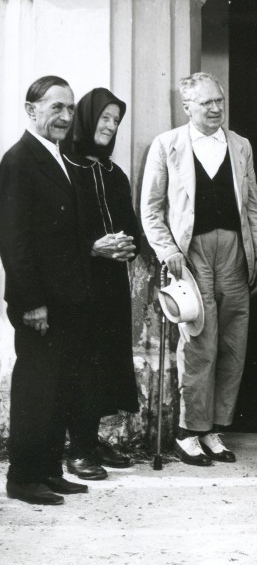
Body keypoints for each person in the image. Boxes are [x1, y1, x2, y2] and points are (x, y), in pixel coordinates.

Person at [140, 72, 257, 467]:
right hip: (191, 253)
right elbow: (151, 209)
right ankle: (187, 431)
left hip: (234, 253)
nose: (215, 109)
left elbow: (252, 206)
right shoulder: (167, 145)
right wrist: (167, 250)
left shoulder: (240, 145)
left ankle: (213, 428)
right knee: (199, 341)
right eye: (206, 102)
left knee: (232, 342)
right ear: (187, 106)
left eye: (219, 101)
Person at [0, 76, 107, 504]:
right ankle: (23, 478)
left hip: (68, 299)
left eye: (70, 107)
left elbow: (60, 234)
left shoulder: (57, 156)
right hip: (40, 304)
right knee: (36, 391)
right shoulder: (19, 160)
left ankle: (48, 470)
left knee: (60, 389)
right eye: (55, 107)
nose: (65, 116)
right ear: (31, 110)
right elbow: (14, 241)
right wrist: (31, 303)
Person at [59, 88, 139, 475]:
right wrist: (93, 247)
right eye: (104, 118)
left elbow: (130, 225)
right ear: (88, 119)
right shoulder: (64, 168)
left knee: (106, 361)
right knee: (81, 363)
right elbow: (54, 232)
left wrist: (128, 246)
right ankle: (78, 449)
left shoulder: (113, 173)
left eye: (116, 121)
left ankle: (91, 440)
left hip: (111, 283)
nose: (110, 126)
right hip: (78, 282)